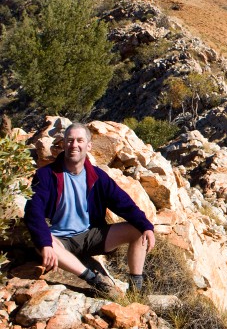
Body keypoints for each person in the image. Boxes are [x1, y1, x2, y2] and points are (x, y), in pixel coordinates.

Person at [24, 122, 155, 296]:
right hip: (60, 238)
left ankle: (136, 288)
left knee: (139, 231)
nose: (74, 145)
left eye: (79, 140)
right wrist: (45, 243)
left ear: (88, 145)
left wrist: (146, 226)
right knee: (44, 243)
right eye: (70, 140)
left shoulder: (97, 176)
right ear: (63, 143)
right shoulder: (46, 175)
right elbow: (33, 211)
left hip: (90, 236)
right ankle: (93, 279)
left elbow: (123, 203)